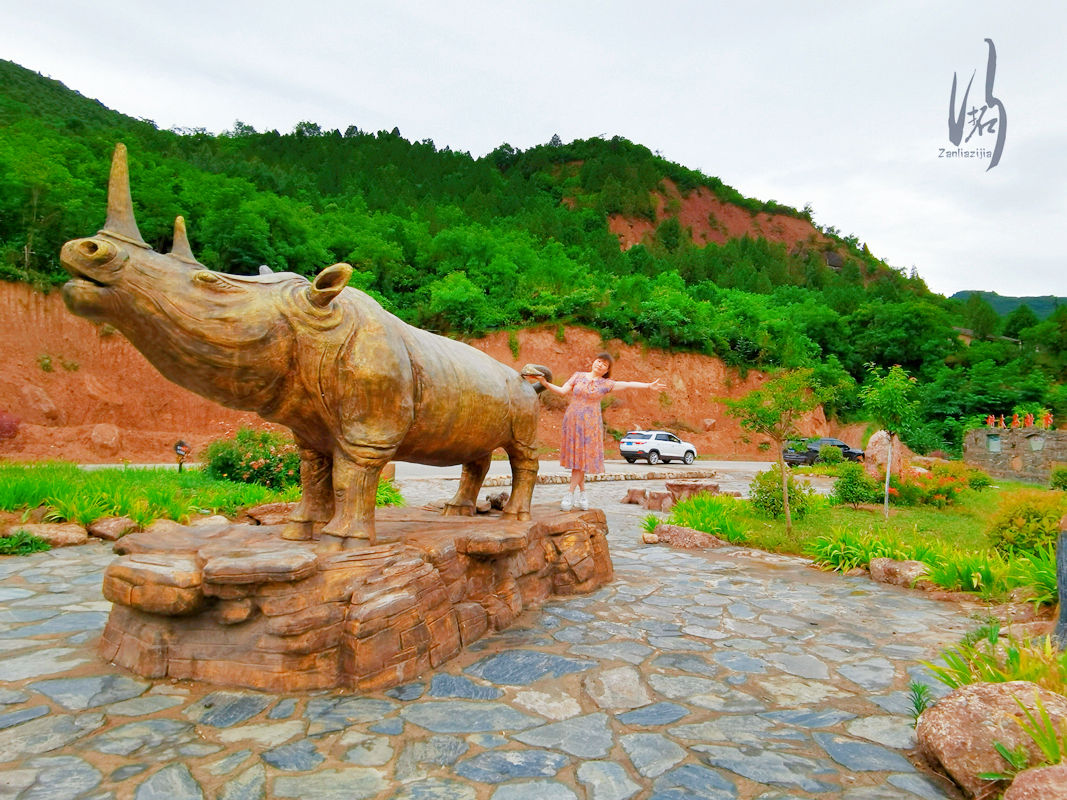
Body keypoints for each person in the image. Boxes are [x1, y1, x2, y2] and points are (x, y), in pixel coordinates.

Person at [537, 352, 665, 511]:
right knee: (577, 460)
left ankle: (569, 494)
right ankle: (583, 493)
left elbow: (628, 383)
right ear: (593, 362)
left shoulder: (606, 384)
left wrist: (648, 385)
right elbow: (562, 391)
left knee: (581, 461)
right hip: (572, 420)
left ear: (606, 370)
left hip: (590, 424)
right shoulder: (578, 376)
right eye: (598, 361)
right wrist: (544, 383)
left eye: (604, 364)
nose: (600, 365)